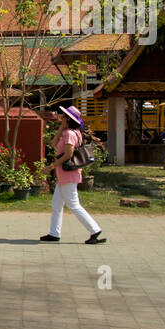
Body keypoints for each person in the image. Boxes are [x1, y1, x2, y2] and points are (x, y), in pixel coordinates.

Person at [41, 104, 106, 244]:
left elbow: (68, 154)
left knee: (73, 204)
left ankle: (94, 229)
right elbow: (53, 143)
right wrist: (61, 127)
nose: (60, 117)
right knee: (56, 203)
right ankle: (54, 233)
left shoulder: (70, 134)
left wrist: (51, 166)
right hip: (64, 174)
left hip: (67, 174)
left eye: (63, 116)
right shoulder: (71, 132)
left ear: (68, 119)